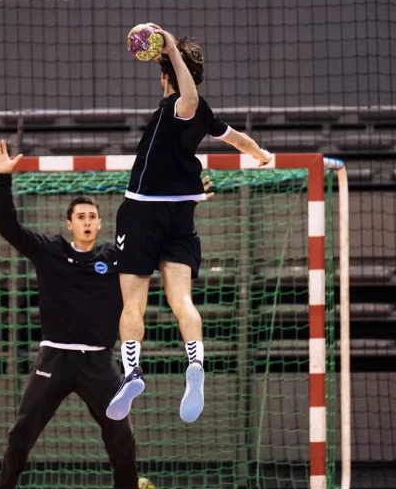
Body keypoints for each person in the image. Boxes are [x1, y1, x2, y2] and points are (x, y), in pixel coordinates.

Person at [0, 139, 168, 489]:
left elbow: (157, 244)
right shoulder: (49, 250)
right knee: (22, 431)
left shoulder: (114, 257)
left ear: (99, 221)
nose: (88, 221)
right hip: (55, 357)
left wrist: (187, 200)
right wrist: (2, 178)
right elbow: (6, 226)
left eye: (93, 216)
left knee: (121, 435)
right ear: (69, 223)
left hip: (99, 360)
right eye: (81, 216)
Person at [106, 24, 273, 424]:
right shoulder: (206, 114)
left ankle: (132, 373)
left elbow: (189, 96)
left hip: (143, 212)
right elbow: (237, 140)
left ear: (168, 75)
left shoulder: (180, 107)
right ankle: (194, 364)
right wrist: (261, 153)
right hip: (181, 213)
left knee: (134, 303)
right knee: (182, 301)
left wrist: (170, 49)